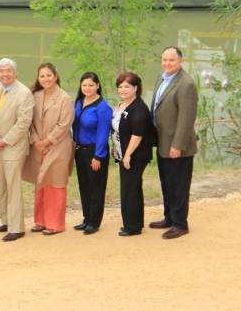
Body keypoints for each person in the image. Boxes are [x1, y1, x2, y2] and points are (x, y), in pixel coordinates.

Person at [149, 46, 198, 239]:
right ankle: (169, 217)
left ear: (180, 61)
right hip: (162, 141)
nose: (167, 63)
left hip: (177, 146)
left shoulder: (186, 84)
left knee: (178, 185)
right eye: (164, 60)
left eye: (171, 60)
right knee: (167, 182)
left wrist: (177, 145)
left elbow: (186, 119)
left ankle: (180, 223)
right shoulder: (162, 78)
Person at [22, 63, 74, 235]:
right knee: (40, 183)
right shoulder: (34, 96)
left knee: (55, 184)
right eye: (42, 76)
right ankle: (40, 221)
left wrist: (48, 141)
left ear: (56, 76)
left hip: (58, 146)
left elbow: (64, 125)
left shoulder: (65, 98)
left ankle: (55, 224)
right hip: (38, 146)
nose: (45, 79)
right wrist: (37, 140)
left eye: (48, 75)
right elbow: (29, 120)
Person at [0, 58, 34, 242]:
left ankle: (17, 228)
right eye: (1, 71)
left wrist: (6, 140)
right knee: (2, 185)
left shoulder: (24, 93)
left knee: (13, 186)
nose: (5, 74)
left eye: (8, 71)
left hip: (14, 146)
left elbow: (24, 122)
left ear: (15, 73)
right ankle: (6, 221)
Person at [110, 72, 153, 237]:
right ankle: (132, 222)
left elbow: (138, 134)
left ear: (136, 88)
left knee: (131, 189)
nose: (123, 89)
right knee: (129, 188)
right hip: (122, 153)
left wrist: (127, 155)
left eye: (127, 86)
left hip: (135, 155)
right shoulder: (122, 104)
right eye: (120, 86)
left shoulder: (139, 108)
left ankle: (133, 226)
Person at [72, 72, 113, 235]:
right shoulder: (79, 102)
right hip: (80, 150)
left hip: (95, 151)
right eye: (84, 85)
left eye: (91, 85)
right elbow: (75, 126)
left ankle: (94, 222)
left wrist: (98, 156)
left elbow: (103, 134)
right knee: (84, 186)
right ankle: (86, 218)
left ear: (97, 85)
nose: (87, 88)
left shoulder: (102, 107)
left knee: (96, 187)